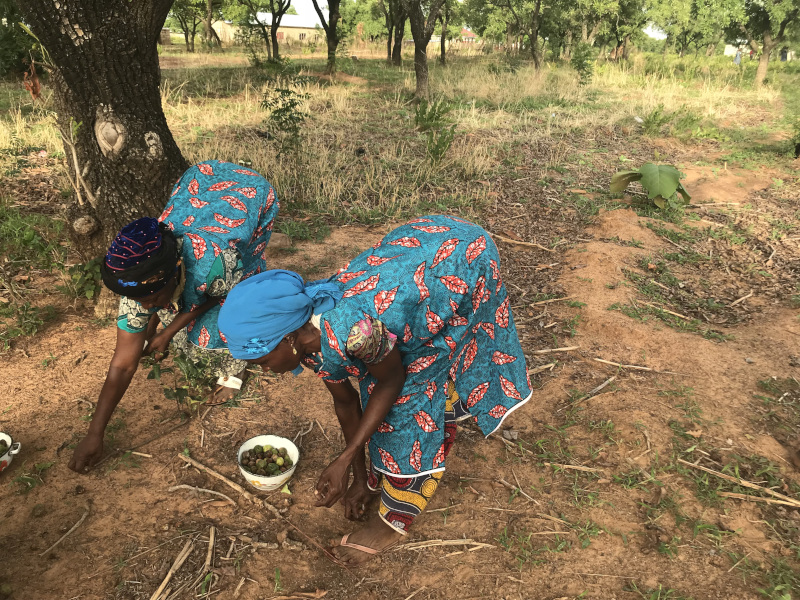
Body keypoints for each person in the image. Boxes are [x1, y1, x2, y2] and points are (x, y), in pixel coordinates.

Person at [218, 215, 532, 565]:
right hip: (416, 256)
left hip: (461, 257)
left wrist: (346, 455)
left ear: (288, 338)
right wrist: (359, 476)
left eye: (260, 359)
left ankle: (393, 522)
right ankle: (383, 477)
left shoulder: (357, 331)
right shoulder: (307, 340)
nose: (261, 368)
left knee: (402, 423)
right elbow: (346, 403)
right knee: (387, 394)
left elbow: (390, 381)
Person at [68, 160, 279, 474]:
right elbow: (123, 363)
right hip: (201, 180)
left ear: (176, 272)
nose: (147, 305)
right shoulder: (139, 281)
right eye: (140, 301)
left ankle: (233, 373)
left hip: (251, 196)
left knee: (234, 300)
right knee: (174, 314)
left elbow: (222, 295)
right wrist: (94, 434)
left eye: (153, 299)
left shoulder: (214, 264)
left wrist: (167, 332)